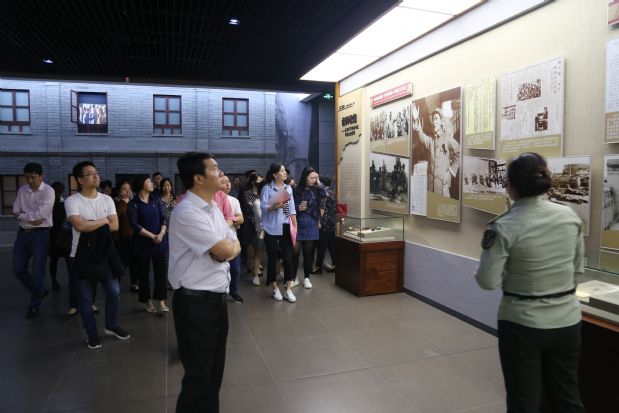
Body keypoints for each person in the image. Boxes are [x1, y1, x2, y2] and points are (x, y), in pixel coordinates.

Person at [475, 152, 585, 413]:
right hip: (568, 321)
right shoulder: (569, 217)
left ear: (511, 187)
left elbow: (487, 281)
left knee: (524, 401)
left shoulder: (503, 226)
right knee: (567, 397)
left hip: (522, 324)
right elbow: (577, 271)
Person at [169, 152, 240, 412]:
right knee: (198, 378)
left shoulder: (213, 208)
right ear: (198, 178)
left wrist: (226, 249)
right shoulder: (187, 211)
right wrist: (226, 249)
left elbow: (232, 243)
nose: (221, 173)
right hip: (195, 304)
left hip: (216, 301)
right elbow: (224, 248)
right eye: (215, 168)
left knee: (213, 375)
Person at [65, 161, 130, 349]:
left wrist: (92, 222)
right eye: (90, 174)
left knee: (114, 292)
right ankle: (92, 334)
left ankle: (111, 324)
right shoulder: (72, 201)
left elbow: (115, 225)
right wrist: (103, 221)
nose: (96, 176)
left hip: (106, 253)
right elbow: (79, 225)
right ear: (80, 180)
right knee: (85, 299)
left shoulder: (107, 199)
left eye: (96, 172)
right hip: (81, 255)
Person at [12, 162, 55, 319]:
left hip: (40, 235)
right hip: (22, 234)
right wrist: (29, 218)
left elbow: (41, 215)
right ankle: (40, 291)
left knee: (38, 271)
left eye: (33, 177)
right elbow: (15, 211)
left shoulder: (48, 191)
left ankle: (34, 304)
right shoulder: (22, 190)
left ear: (41, 176)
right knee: (18, 269)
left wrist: (23, 216)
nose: (30, 180)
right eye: (27, 177)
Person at [128, 175, 169, 313]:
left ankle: (161, 301)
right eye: (149, 181)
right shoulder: (133, 204)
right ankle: (147, 301)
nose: (152, 183)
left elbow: (164, 218)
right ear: (141, 184)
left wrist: (161, 233)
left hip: (159, 242)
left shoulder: (156, 200)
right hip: (142, 244)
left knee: (161, 274)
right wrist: (152, 236)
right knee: (143, 275)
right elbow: (135, 225)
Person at [261, 163, 297, 302]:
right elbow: (263, 207)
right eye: (281, 171)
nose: (285, 172)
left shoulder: (288, 188)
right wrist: (276, 206)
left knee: (288, 258)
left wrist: (295, 226)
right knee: (272, 258)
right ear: (275, 174)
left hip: (286, 227)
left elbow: (292, 209)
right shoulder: (267, 188)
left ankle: (288, 289)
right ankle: (275, 287)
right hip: (270, 228)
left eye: (284, 170)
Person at [411, 103, 460, 197]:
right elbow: (421, 137)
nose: (434, 122)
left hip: (442, 186)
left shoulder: (447, 139)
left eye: (436, 119)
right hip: (430, 186)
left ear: (442, 122)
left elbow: (459, 152)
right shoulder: (431, 140)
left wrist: (450, 171)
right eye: (433, 119)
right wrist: (416, 119)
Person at [292, 167, 323, 289]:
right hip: (298, 222)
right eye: (312, 177)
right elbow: (289, 205)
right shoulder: (295, 189)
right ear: (305, 177)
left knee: (308, 253)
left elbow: (325, 195)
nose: (314, 180)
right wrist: (297, 208)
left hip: (311, 223)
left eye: (315, 177)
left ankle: (306, 278)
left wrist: (319, 182)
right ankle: (294, 278)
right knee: (295, 253)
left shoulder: (316, 189)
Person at [113, 178, 139, 292]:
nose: (127, 191)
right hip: (120, 237)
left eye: (129, 189)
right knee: (120, 262)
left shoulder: (134, 203)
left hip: (134, 237)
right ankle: (116, 284)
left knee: (134, 261)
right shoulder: (116, 203)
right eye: (124, 189)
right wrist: (122, 201)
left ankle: (134, 282)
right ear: (119, 191)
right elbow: (116, 216)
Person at [222, 175, 244, 303]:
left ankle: (233, 292)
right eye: (224, 182)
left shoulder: (234, 200)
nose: (228, 184)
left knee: (235, 269)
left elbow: (241, 218)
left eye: (228, 181)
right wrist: (234, 220)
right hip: (218, 241)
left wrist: (232, 220)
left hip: (232, 239)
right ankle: (221, 293)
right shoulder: (213, 201)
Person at [241, 172, 264, 285]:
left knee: (259, 247)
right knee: (250, 245)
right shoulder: (247, 193)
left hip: (261, 225)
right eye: (259, 181)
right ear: (253, 182)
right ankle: (251, 263)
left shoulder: (263, 194)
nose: (261, 183)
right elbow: (250, 207)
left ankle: (256, 267)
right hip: (250, 223)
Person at [48, 181, 70, 291]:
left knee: (54, 260)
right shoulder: (65, 204)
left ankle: (54, 282)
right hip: (64, 235)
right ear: (62, 191)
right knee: (68, 259)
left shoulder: (49, 205)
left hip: (52, 235)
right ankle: (72, 281)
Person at [314, 175, 336, 274]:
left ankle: (318, 267)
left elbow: (322, 207)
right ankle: (335, 264)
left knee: (321, 246)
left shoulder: (324, 193)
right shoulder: (333, 192)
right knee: (332, 246)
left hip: (324, 222)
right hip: (332, 222)